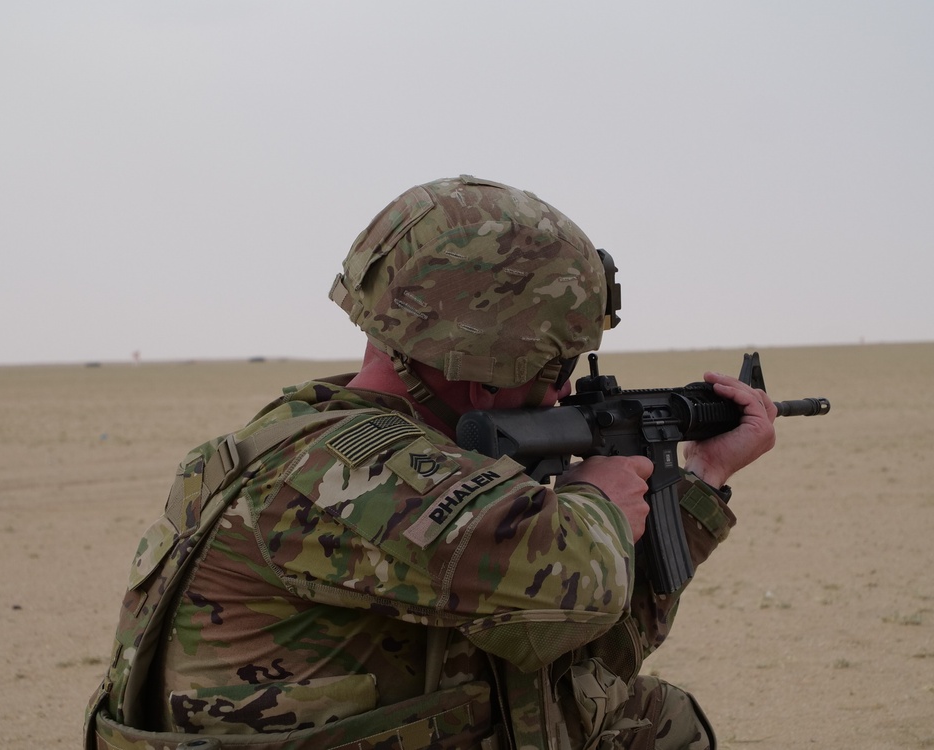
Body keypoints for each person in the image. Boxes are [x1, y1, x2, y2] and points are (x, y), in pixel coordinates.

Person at [85, 175, 776, 750]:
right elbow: (583, 580)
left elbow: (575, 655)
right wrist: (595, 496)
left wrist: (701, 479)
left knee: (650, 722)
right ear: (485, 373)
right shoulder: (348, 472)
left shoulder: (344, 440)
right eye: (556, 366)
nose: (564, 390)